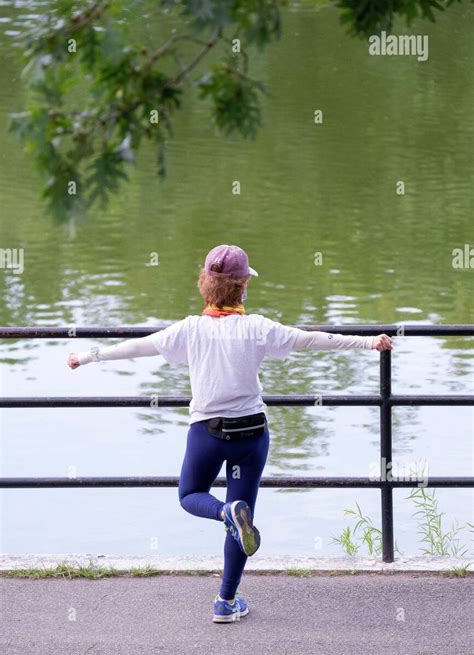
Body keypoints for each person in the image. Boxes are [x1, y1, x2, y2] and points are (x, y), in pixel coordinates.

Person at [68, 244, 393, 623]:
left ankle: (223, 512)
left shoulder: (189, 329)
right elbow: (312, 339)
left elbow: (139, 348)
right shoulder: (257, 328)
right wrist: (369, 342)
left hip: (207, 431)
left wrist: (89, 356)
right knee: (245, 518)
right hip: (251, 434)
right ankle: (225, 601)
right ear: (243, 288)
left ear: (205, 284)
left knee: (190, 494)